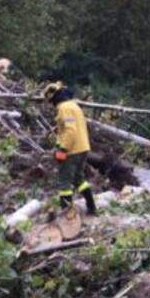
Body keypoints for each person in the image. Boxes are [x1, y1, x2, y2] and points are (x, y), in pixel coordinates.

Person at [44, 81, 96, 216]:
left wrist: (63, 149)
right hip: (83, 147)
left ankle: (66, 214)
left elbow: (71, 130)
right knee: (79, 179)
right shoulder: (74, 106)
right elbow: (73, 126)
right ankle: (91, 207)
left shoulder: (64, 108)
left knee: (64, 183)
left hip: (72, 150)